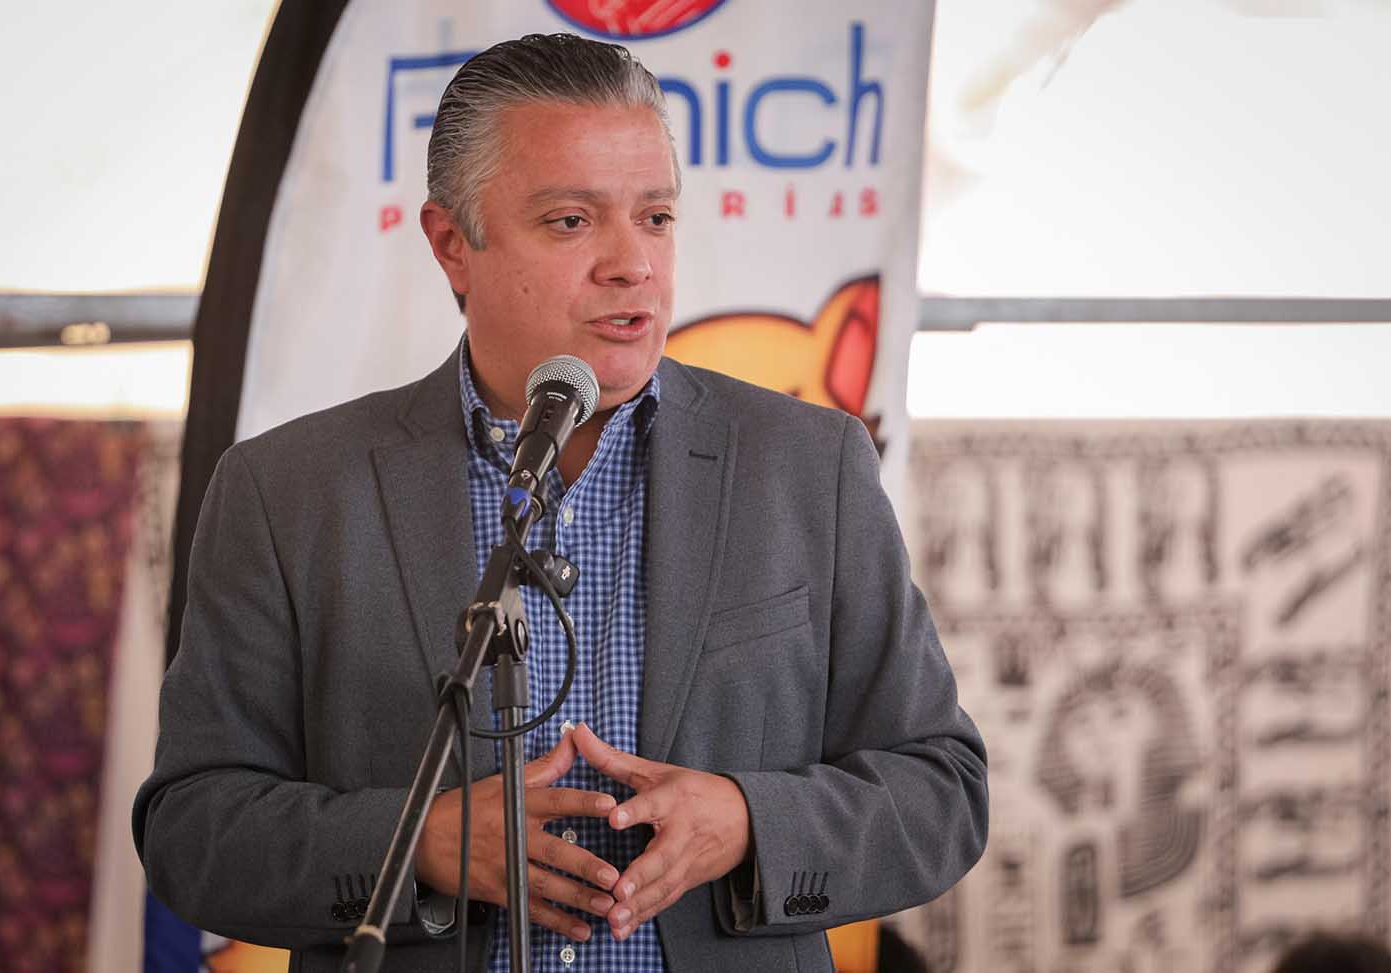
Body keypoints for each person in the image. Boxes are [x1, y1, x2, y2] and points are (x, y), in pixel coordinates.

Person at [134, 33, 987, 973]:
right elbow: (193, 827)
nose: (633, 263)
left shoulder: (810, 466)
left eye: (656, 217)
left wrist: (748, 820)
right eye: (572, 220)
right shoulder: (287, 491)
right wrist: (419, 844)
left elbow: (941, 788)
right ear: (452, 244)